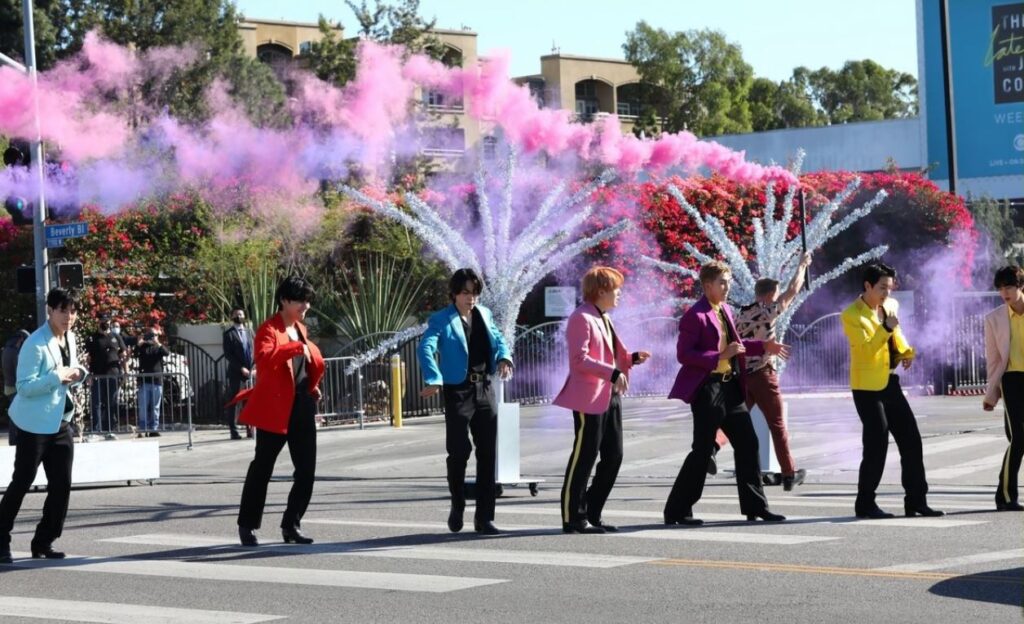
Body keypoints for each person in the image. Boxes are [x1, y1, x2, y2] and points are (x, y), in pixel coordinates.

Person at [664, 260, 789, 525]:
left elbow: (738, 345)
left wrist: (763, 345)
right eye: (722, 282)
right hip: (707, 388)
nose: (726, 287)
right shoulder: (695, 315)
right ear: (707, 285)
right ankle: (677, 510)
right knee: (701, 451)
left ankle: (756, 506)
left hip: (730, 387)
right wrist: (720, 355)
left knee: (748, 443)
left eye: (728, 282)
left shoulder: (726, 311)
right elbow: (684, 355)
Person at [841, 263, 943, 519]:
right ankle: (865, 503)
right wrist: (884, 328)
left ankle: (917, 501)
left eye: (890, 287)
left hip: (890, 382)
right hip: (866, 387)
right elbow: (865, 349)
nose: (887, 292)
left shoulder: (891, 306)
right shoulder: (851, 315)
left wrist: (906, 352)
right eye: (882, 287)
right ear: (867, 286)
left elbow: (897, 332)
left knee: (911, 441)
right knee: (876, 444)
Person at [554, 267, 650, 534]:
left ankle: (592, 511)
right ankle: (573, 517)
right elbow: (579, 360)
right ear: (601, 291)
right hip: (589, 398)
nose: (619, 294)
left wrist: (630, 360)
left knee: (614, 455)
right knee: (583, 457)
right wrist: (614, 372)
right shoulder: (581, 318)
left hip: (610, 395)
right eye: (616, 289)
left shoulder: (602, 317)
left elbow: (609, 356)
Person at [418, 268, 513, 535]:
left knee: (487, 453)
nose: (471, 298)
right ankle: (457, 502)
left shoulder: (484, 314)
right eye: (465, 293)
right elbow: (426, 347)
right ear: (454, 294)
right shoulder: (441, 319)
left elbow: (498, 338)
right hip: (457, 390)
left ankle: (484, 518)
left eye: (474, 293)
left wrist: (505, 357)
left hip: (484, 387)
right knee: (459, 452)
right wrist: (433, 376)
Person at [232, 276, 324, 547]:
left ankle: (291, 524)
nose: (305, 306)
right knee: (262, 467)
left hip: (301, 403)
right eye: (300, 300)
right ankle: (247, 525)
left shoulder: (300, 328)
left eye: (308, 301)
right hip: (274, 407)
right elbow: (265, 359)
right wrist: (295, 347)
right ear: (285, 300)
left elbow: (300, 366)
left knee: (306, 470)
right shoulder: (268, 329)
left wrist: (311, 384)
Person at [710, 252, 812, 490]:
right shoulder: (767, 312)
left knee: (734, 418)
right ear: (768, 296)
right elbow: (792, 292)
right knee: (777, 425)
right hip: (764, 375)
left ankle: (712, 447)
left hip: (744, 375)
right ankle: (788, 473)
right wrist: (802, 266)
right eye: (775, 296)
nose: (778, 300)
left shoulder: (741, 314)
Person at [0, 288, 88, 564]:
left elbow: (71, 370)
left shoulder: (70, 338)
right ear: (50, 310)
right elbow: (24, 387)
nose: (69, 317)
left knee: (62, 485)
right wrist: (56, 378)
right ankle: (1, 541)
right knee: (21, 482)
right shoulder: (35, 343)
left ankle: (44, 541)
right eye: (63, 310)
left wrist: (79, 374)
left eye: (73, 311)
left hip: (61, 422)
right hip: (33, 424)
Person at [982, 265, 1024, 512]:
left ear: (1020, 286)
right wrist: (991, 394)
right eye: (1000, 288)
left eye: (1009, 287)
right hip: (1011, 381)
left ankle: (1005, 494)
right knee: (1019, 437)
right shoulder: (994, 318)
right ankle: (1006, 496)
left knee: (1018, 440)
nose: (1004, 292)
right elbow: (994, 360)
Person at [85, 317, 124, 439]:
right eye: (103, 323)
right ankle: (96, 430)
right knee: (96, 402)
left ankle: (110, 430)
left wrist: (125, 371)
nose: (106, 325)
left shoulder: (116, 337)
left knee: (111, 402)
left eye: (108, 323)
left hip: (113, 375)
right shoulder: (92, 338)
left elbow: (124, 354)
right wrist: (88, 374)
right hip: (97, 374)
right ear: (98, 323)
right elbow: (87, 358)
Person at [223, 308, 255, 440]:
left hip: (250, 372)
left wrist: (254, 367)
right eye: (236, 314)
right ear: (232, 317)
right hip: (237, 373)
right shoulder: (228, 334)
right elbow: (228, 355)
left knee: (249, 402)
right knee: (234, 402)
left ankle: (250, 429)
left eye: (241, 314)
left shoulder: (249, 332)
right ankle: (233, 431)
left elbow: (255, 350)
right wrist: (241, 367)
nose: (239, 316)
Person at [134, 329, 169, 437]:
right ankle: (143, 428)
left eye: (154, 335)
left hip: (157, 381)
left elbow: (166, 352)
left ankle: (154, 428)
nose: (152, 337)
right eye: (150, 335)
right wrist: (139, 344)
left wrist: (157, 343)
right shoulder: (143, 347)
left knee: (155, 407)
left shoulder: (158, 347)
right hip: (145, 381)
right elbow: (135, 354)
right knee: (143, 407)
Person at [3, 329, 31, 446]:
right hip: (15, 388)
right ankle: (14, 440)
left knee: (14, 413)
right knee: (17, 415)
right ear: (20, 339)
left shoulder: (5, 350)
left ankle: (13, 439)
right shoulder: (15, 352)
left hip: (8, 386)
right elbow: (19, 372)